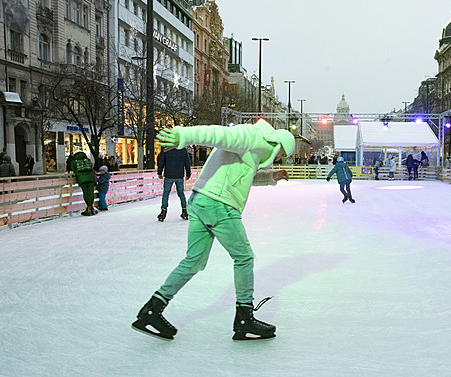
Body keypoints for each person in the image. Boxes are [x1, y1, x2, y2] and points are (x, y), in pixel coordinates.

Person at [132, 119, 295, 341]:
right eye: (281, 154)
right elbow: (218, 134)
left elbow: (243, 175)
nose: (277, 159)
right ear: (279, 144)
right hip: (219, 204)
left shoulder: (254, 149)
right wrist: (183, 136)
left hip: (201, 201)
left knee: (194, 260)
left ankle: (152, 309)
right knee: (244, 258)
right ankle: (244, 318)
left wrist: (270, 177)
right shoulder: (252, 136)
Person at [156, 145, 192, 221]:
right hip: (179, 175)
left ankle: (163, 212)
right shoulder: (183, 149)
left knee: (166, 194)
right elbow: (187, 162)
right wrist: (188, 174)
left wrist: (159, 172)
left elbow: (161, 161)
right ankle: (185, 211)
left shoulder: (165, 148)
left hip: (169, 175)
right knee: (181, 193)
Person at [70, 151, 97, 216]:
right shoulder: (87, 160)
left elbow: (73, 169)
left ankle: (88, 208)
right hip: (91, 177)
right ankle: (91, 208)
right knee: (91, 193)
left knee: (86, 193)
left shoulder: (74, 161)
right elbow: (92, 166)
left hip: (82, 178)